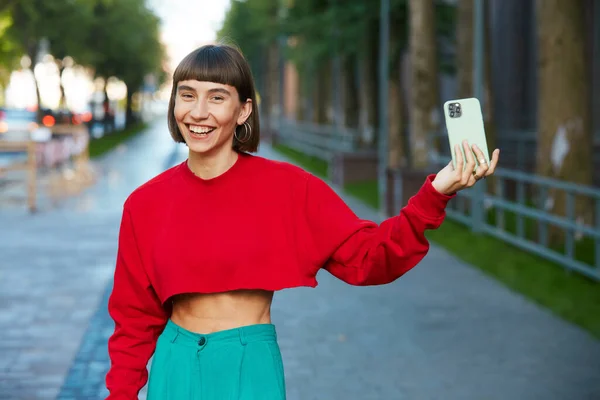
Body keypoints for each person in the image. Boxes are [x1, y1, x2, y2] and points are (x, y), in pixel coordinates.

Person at [104, 43, 500, 400]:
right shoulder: (145, 203)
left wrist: (436, 192)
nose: (198, 112)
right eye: (187, 95)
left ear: (243, 109)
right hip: (174, 367)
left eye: (217, 97)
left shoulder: (289, 188)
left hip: (249, 365)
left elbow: (370, 257)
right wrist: (121, 395)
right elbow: (134, 317)